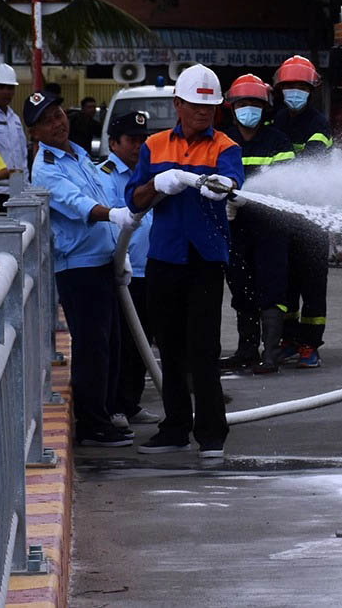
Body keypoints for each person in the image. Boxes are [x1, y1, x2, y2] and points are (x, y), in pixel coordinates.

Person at [126, 64, 243, 458]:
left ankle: (212, 435)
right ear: (177, 104)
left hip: (205, 259)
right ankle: (175, 428)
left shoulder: (226, 146)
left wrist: (226, 187)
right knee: (170, 347)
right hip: (165, 257)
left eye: (209, 108)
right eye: (195, 106)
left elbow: (233, 183)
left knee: (203, 348)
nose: (202, 113)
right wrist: (155, 184)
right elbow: (133, 200)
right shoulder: (154, 145)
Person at [27, 90, 141, 447]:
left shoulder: (77, 154)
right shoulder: (46, 167)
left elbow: (103, 192)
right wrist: (115, 215)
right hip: (78, 267)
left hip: (104, 261)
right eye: (47, 121)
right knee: (93, 346)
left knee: (111, 343)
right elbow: (80, 204)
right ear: (35, 133)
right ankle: (91, 424)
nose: (57, 123)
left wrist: (120, 254)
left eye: (58, 114)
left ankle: (105, 414)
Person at [221, 74, 296, 375]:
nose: (249, 109)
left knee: (272, 289)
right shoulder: (224, 142)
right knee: (241, 289)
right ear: (232, 107)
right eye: (243, 103)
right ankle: (247, 350)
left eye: (255, 103)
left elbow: (289, 184)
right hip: (234, 229)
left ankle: (271, 355)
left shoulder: (278, 141)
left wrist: (247, 198)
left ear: (266, 108)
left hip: (271, 229)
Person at [97, 112, 162, 430]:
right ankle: (114, 407)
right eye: (131, 141)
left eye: (142, 140)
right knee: (120, 342)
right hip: (124, 273)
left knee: (142, 341)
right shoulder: (105, 176)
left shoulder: (149, 172)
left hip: (151, 268)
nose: (138, 146)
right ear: (113, 143)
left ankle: (131, 403)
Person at [271, 56, 330, 367]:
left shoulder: (318, 124)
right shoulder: (277, 120)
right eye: (288, 86)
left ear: (311, 89)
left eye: (300, 87)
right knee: (287, 283)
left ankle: (311, 345)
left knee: (312, 284)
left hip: (314, 216)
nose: (294, 91)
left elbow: (313, 164)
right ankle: (290, 340)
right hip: (284, 217)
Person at [0, 64, 27, 208]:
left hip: (17, 192)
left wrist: (26, 186)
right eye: (1, 87)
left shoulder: (14, 119)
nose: (6, 92)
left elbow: (23, 155)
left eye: (10, 88)